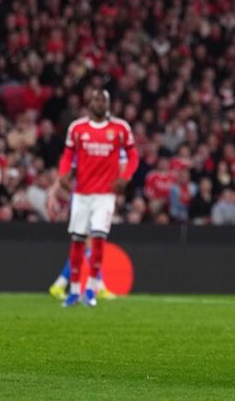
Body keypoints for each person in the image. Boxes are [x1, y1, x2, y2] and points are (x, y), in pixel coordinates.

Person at [57, 89, 138, 307]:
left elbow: (133, 155)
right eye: (96, 99)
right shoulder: (77, 128)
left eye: (104, 100)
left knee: (99, 238)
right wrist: (63, 174)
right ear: (89, 103)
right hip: (81, 194)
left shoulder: (120, 128)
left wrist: (126, 177)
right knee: (77, 240)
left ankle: (91, 290)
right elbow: (68, 155)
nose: (100, 103)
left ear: (109, 104)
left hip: (105, 195)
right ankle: (74, 291)